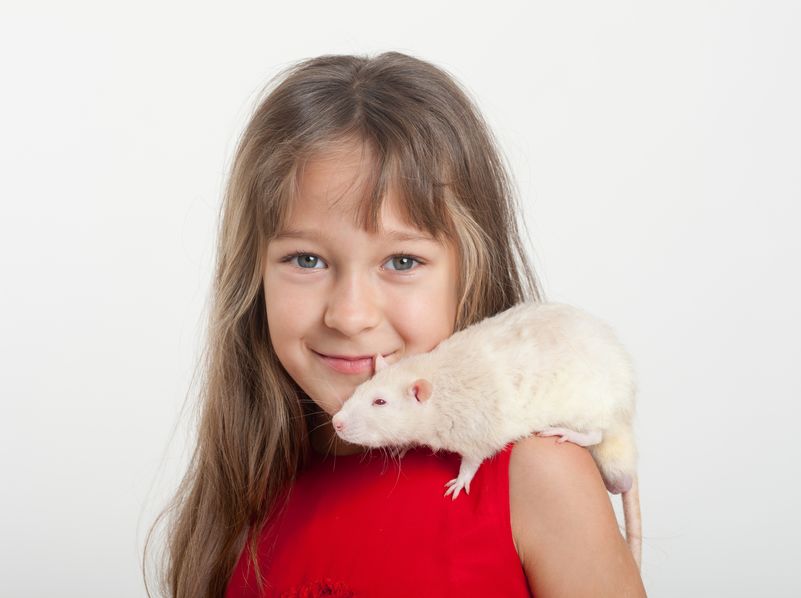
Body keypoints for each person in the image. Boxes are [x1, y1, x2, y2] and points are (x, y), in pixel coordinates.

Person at [144, 51, 646, 598]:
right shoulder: (249, 497)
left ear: (470, 273)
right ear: (253, 275)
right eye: (307, 259)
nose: (350, 315)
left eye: (402, 261)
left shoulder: (539, 475)